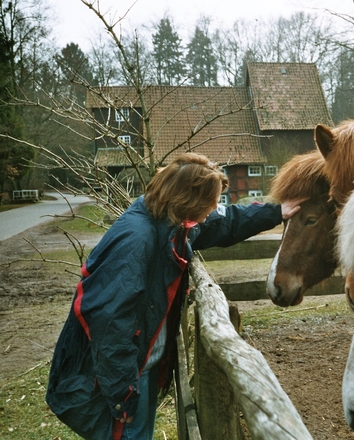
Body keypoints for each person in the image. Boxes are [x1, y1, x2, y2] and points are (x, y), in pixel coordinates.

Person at [46, 152, 305, 440]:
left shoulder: (168, 222)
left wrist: (275, 212)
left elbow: (224, 223)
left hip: (139, 364)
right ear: (190, 200)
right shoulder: (137, 238)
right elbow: (109, 320)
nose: (214, 208)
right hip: (122, 375)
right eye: (211, 201)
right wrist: (123, 393)